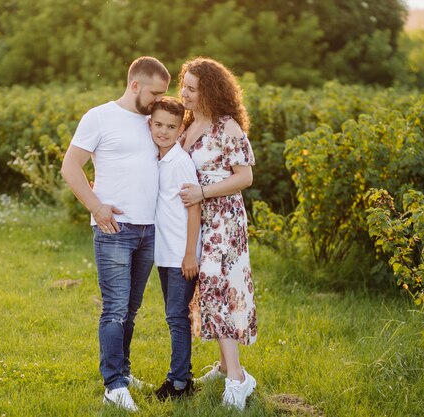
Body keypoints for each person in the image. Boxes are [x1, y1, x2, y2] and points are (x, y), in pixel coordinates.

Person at [60, 56, 170, 412]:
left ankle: (123, 370)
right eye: (154, 92)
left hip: (149, 230)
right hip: (114, 229)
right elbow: (70, 166)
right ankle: (114, 386)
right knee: (114, 310)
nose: (158, 99)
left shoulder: (154, 122)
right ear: (135, 85)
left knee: (132, 310)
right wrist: (96, 206)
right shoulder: (99, 117)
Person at [177, 57, 258, 411]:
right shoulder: (188, 124)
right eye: (184, 85)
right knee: (207, 289)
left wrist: (203, 193)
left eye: (192, 88)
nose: (184, 93)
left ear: (209, 91)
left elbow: (245, 177)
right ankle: (225, 364)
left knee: (217, 287)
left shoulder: (228, 127)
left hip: (223, 218)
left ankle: (238, 379)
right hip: (196, 216)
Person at [149, 97, 201, 401]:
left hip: (182, 255)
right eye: (158, 125)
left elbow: (194, 208)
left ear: (181, 127)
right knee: (175, 315)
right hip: (164, 254)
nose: (164, 131)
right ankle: (182, 376)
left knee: (176, 317)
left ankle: (180, 382)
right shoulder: (157, 158)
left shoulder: (180, 162)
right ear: (150, 124)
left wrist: (190, 253)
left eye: (171, 126)